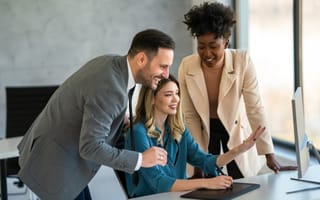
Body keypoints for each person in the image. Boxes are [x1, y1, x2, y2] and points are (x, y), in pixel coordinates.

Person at [17, 29, 175, 200]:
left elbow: (93, 104)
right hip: (54, 164)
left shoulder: (112, 63)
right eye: (163, 66)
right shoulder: (110, 87)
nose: (166, 75)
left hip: (62, 159)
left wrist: (118, 119)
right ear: (142, 59)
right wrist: (140, 160)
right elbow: (90, 147)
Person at [178, 1, 297, 179]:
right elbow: (190, 116)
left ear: (225, 42)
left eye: (213, 46)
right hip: (204, 130)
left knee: (241, 181)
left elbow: (254, 108)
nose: (207, 53)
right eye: (201, 46)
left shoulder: (242, 61)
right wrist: (197, 163)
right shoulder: (187, 66)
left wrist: (269, 155)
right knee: (206, 182)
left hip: (233, 129)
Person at [124, 74, 266, 197]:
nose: (176, 100)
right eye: (168, 95)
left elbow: (204, 160)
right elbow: (158, 182)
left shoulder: (178, 129)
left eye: (177, 93)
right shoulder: (138, 132)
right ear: (151, 99)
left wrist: (240, 149)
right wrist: (207, 183)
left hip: (176, 196)